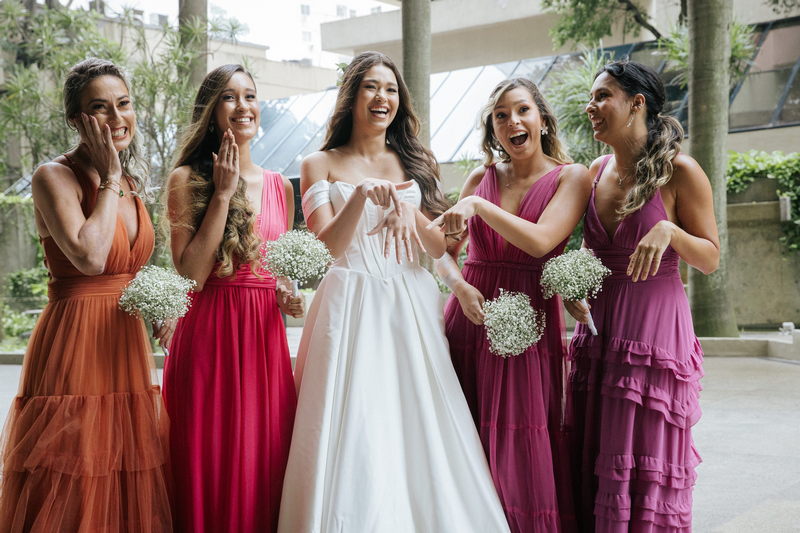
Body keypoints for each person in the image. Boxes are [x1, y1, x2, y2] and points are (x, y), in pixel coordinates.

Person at [278, 51, 510, 533]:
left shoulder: (413, 161)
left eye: (390, 89)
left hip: (409, 304)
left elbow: (437, 247)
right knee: (356, 420)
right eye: (371, 87)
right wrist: (362, 194)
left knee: (419, 418)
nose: (381, 97)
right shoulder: (318, 163)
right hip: (349, 304)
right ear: (351, 97)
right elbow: (326, 250)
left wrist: (409, 211)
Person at [0, 58, 172, 532]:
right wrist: (111, 177)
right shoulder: (53, 177)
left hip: (124, 343)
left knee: (122, 470)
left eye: (124, 104)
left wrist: (158, 307)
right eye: (100, 107)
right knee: (73, 472)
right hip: (76, 341)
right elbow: (91, 258)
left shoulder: (132, 185)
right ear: (76, 119)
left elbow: (128, 269)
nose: (117, 117)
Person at [431, 77, 591, 532]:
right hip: (469, 316)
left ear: (542, 119)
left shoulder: (571, 176)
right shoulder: (479, 179)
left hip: (526, 327)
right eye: (501, 116)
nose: (512, 121)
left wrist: (480, 208)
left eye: (522, 110)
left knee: (520, 438)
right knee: (463, 432)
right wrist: (459, 287)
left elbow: (541, 242)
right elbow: (442, 252)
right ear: (494, 130)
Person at [566, 60, 719, 532]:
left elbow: (710, 257)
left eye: (602, 96)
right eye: (591, 97)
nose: (590, 106)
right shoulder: (595, 171)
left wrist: (669, 231)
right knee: (594, 451)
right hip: (599, 333)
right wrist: (574, 288)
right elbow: (590, 252)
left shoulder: (680, 171)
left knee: (644, 456)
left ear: (636, 104)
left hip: (653, 335)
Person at [162, 64, 303, 533]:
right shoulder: (186, 179)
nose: (243, 106)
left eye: (250, 96)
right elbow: (190, 276)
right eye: (229, 97)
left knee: (264, 463)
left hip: (263, 344)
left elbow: (276, 271)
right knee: (208, 465)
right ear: (211, 110)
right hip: (208, 339)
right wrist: (222, 195)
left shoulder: (280, 185)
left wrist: (286, 293)